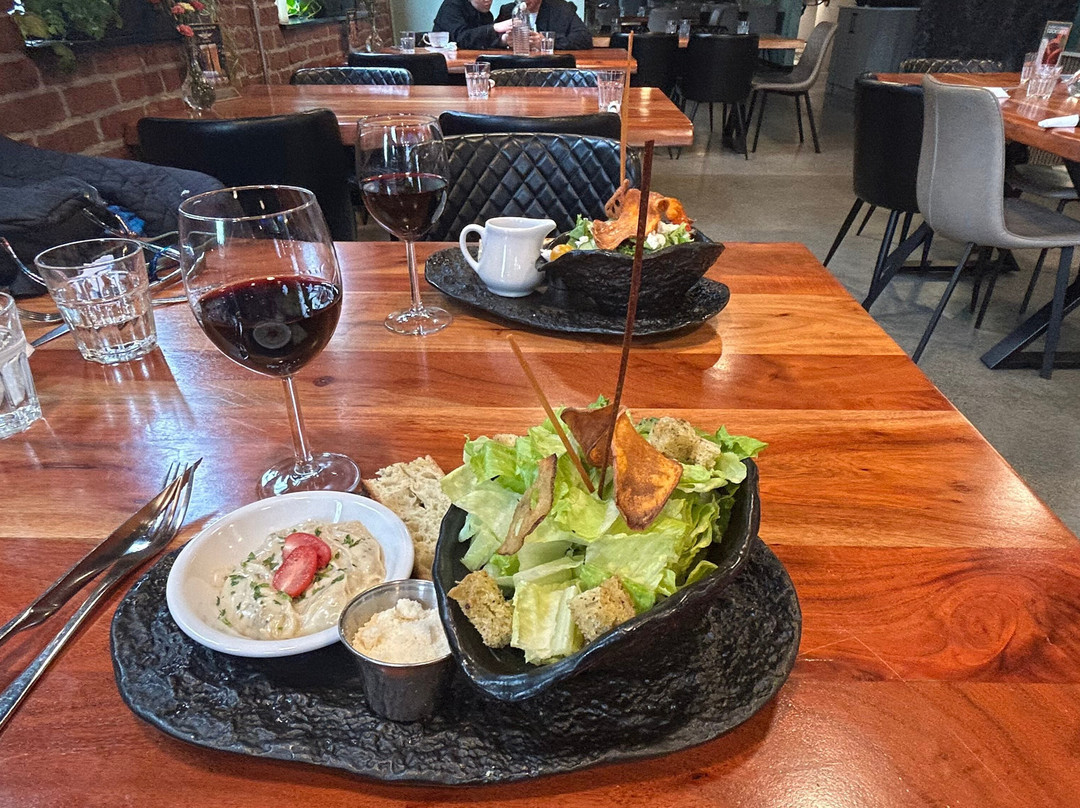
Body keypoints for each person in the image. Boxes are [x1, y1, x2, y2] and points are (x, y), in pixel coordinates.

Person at [494, 0, 593, 51]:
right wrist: (504, 40)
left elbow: (584, 39)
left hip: (550, 69)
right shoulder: (508, 10)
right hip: (514, 68)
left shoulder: (562, 9)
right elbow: (490, 37)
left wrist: (546, 42)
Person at [433, 0, 515, 50]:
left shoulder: (486, 15)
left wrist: (503, 40)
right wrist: (495, 27)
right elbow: (461, 39)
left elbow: (479, 43)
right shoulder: (451, 6)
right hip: (443, 66)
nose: (488, 0)